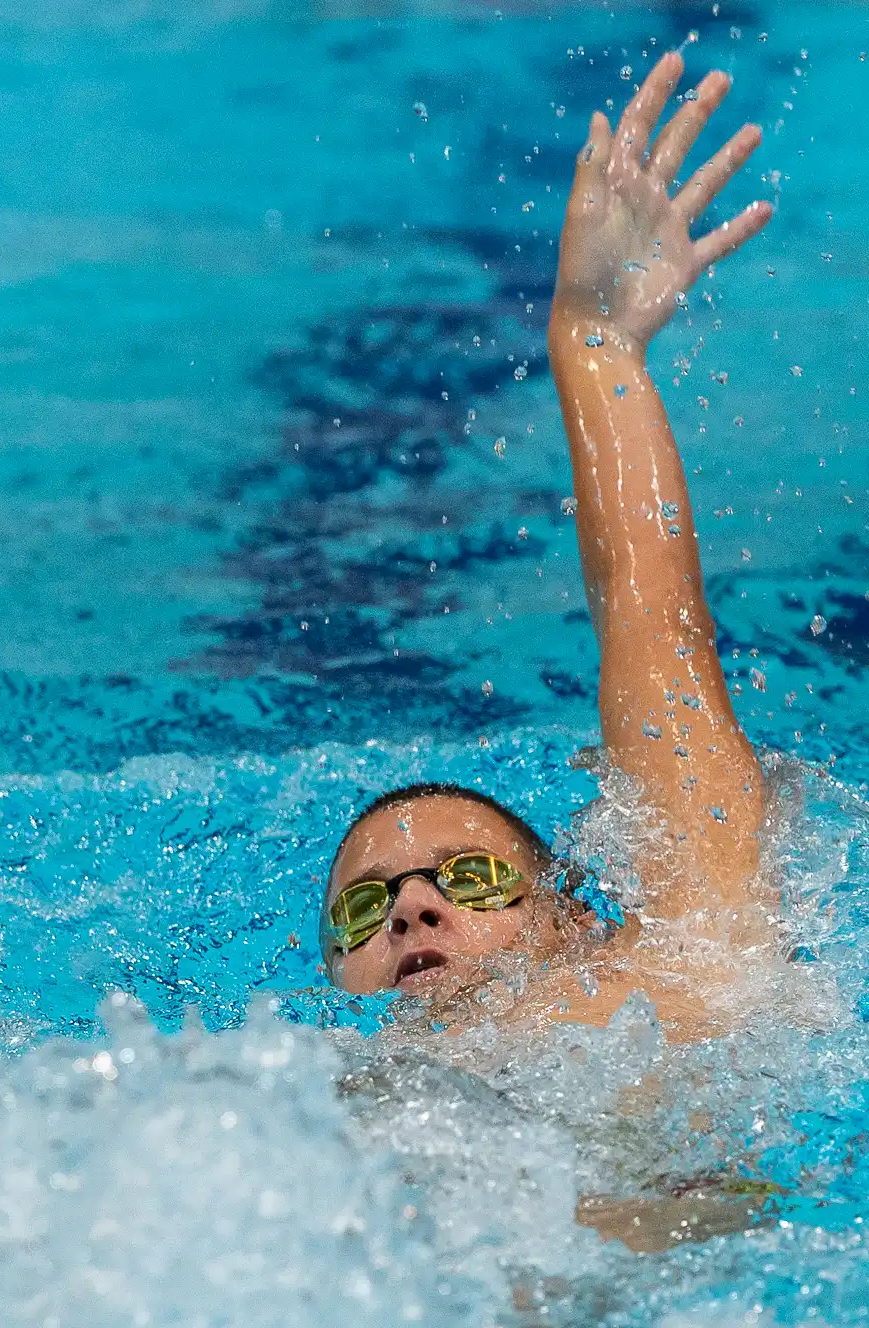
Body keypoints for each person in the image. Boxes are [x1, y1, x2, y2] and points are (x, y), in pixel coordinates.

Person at [319, 50, 781, 1055]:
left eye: (472, 877)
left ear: (577, 919)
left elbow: (655, 636)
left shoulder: (674, 980)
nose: (409, 912)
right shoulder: (278, 1111)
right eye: (361, 913)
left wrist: (594, 343)